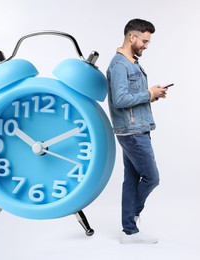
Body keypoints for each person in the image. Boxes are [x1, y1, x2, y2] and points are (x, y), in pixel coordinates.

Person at [107, 18, 167, 244]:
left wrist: (154, 94)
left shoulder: (131, 62)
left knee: (131, 181)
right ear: (132, 37)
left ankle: (129, 232)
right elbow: (121, 99)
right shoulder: (120, 65)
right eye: (144, 40)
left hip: (136, 129)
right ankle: (132, 216)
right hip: (132, 132)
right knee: (152, 178)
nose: (146, 45)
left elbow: (132, 97)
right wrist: (149, 94)